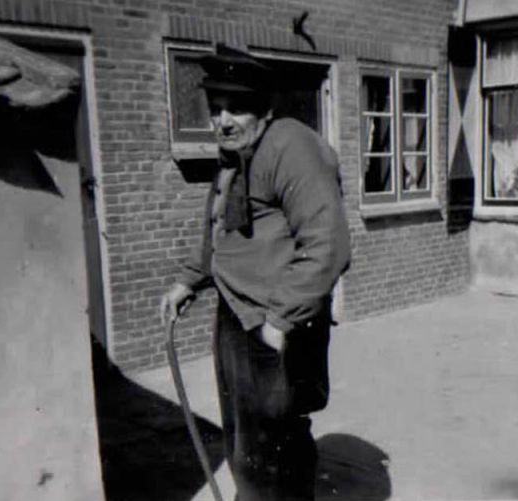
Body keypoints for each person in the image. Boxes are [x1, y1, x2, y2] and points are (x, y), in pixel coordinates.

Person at [161, 44, 351, 501]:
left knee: (274, 442)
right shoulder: (237, 155)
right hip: (237, 311)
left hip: (277, 318)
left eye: (237, 108)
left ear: (265, 109)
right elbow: (219, 228)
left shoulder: (291, 147)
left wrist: (279, 321)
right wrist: (189, 279)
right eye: (215, 108)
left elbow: (327, 244)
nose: (223, 120)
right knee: (244, 437)